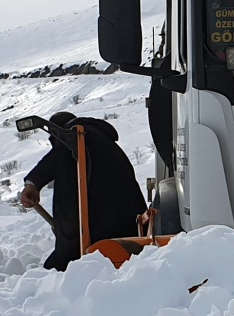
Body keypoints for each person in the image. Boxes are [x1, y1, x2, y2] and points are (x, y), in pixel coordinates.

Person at [19, 111, 147, 271]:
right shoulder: (100, 141)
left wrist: (33, 183)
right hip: (131, 226)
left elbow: (55, 158)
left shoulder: (75, 136)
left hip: (103, 232)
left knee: (54, 270)